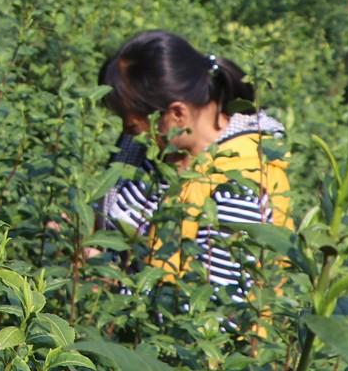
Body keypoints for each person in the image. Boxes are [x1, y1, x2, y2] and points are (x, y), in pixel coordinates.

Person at [96, 30, 291, 294]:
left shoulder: (237, 188)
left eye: (131, 123)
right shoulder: (146, 146)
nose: (126, 132)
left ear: (177, 114)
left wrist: (107, 282)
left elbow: (222, 315)